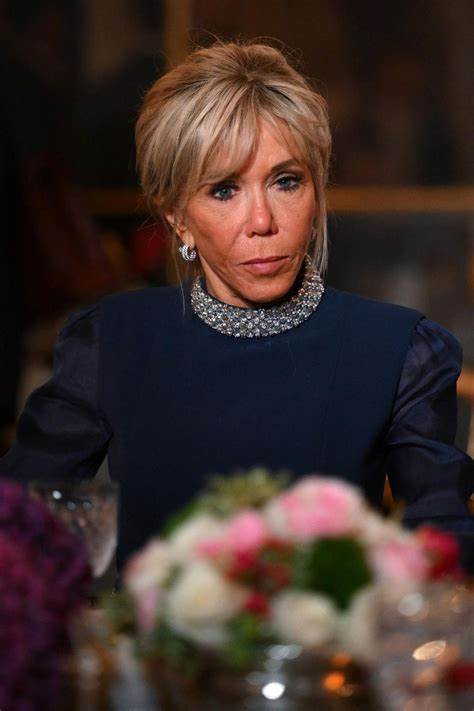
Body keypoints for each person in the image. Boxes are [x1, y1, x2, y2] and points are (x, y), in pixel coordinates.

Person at [1, 41, 472, 569]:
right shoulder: (110, 341)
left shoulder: (399, 350)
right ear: (177, 216)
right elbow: (15, 526)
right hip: (151, 625)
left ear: (317, 193)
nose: (262, 221)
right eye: (224, 190)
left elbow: (443, 543)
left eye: (286, 182)